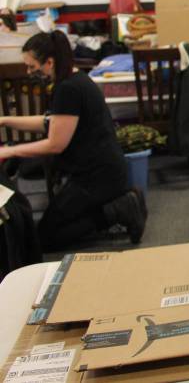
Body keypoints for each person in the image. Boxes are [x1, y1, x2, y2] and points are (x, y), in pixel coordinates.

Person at [0, 31, 145, 251]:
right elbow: (50, 122)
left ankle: (119, 209)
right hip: (100, 170)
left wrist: (8, 152)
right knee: (50, 227)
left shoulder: (67, 89)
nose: (29, 72)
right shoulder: (74, 79)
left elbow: (55, 144)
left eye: (32, 67)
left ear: (49, 62)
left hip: (97, 177)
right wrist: (5, 121)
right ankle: (114, 206)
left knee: (45, 238)